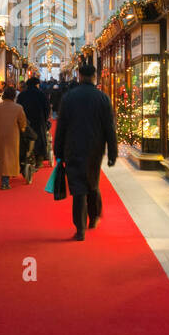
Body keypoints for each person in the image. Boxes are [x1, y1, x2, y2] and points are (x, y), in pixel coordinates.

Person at [52, 61, 118, 240]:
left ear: (79, 76)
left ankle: (80, 228)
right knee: (92, 182)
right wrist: (112, 152)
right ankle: (94, 217)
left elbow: (61, 126)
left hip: (73, 148)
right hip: (95, 148)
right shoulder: (102, 98)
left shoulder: (69, 98)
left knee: (78, 188)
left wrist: (57, 151)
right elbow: (109, 127)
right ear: (94, 77)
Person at [0, 85, 27, 190]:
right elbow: (22, 122)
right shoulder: (18, 108)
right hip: (12, 135)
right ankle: (5, 181)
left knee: (0, 156)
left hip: (0, 134)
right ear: (14, 96)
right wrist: (22, 129)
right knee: (10, 157)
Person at [17, 74, 51, 167]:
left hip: (26, 121)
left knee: (26, 138)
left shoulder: (22, 94)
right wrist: (44, 118)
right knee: (39, 138)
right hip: (38, 121)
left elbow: (18, 107)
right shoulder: (41, 94)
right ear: (36, 84)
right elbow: (47, 108)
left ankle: (25, 157)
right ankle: (39, 159)